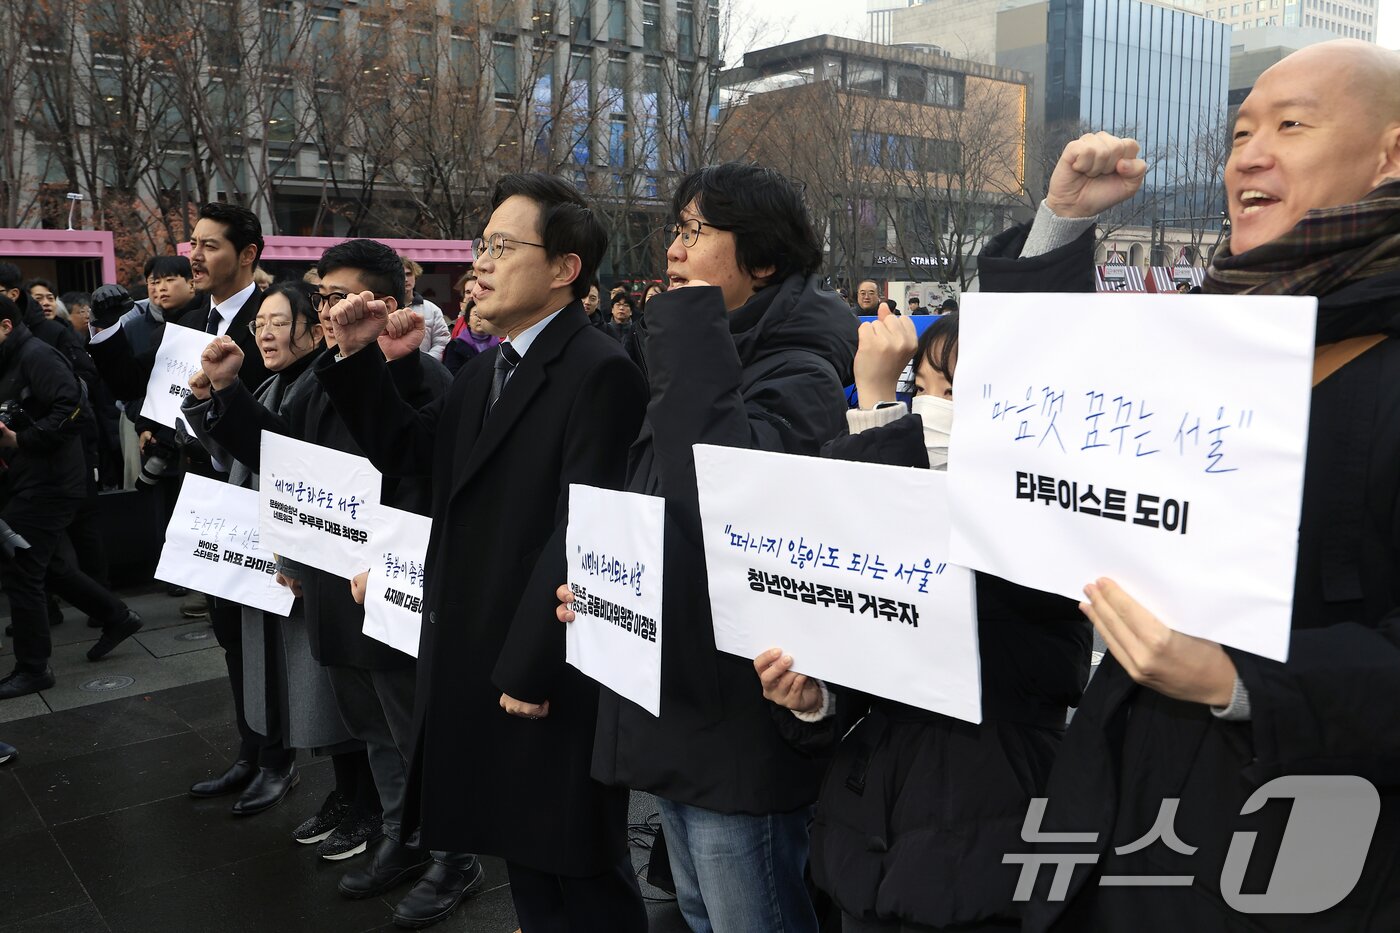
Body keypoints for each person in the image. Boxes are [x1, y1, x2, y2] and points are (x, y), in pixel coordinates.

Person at [978, 39, 1400, 932]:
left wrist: (1235, 676)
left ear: (1388, 156)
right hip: (1120, 813)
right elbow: (1043, 420)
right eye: (1241, 132)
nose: (1247, 154)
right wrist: (1059, 223)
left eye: (1292, 125)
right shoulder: (1216, 333)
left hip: (1305, 858)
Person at [316, 175, 648, 931]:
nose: (480, 264)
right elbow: (409, 453)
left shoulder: (599, 369)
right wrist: (367, 357)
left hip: (547, 667)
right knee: (529, 866)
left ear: (565, 267)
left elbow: (585, 532)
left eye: (502, 246)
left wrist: (533, 665)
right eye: (481, 246)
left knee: (581, 868)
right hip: (479, 656)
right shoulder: (485, 370)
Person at [560, 162, 859, 932]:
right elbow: (649, 502)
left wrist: (685, 325)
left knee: (749, 915)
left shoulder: (798, 368)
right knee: (699, 910)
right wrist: (602, 588)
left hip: (740, 718)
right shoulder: (692, 349)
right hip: (677, 691)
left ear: (761, 258)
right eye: (677, 230)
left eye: (697, 232)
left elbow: (719, 502)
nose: (675, 249)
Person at [755, 309, 1090, 932]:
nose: (931, 410)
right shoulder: (911, 474)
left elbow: (936, 597)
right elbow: (876, 635)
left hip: (986, 842)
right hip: (866, 836)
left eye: (955, 392)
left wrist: (881, 408)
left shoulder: (1046, 527)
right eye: (923, 390)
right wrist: (814, 701)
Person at [183, 281, 369, 829]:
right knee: (301, 683)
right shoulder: (272, 386)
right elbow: (234, 455)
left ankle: (359, 802)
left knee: (330, 690)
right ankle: (334, 790)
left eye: (279, 321)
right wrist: (209, 396)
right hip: (274, 557)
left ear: (316, 328)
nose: (265, 331)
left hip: (312, 560)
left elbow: (285, 459)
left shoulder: (320, 384)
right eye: (260, 321)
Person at [0, 296, 143, 700]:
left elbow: (73, 406)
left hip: (49, 481)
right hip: (29, 478)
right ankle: (116, 615)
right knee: (52, 565)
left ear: (6, 326)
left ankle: (33, 668)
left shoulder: (36, 355)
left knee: (21, 565)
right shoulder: (12, 357)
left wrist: (21, 438)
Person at [402, 257, 451, 361]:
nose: (405, 279)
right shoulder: (386, 307)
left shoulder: (432, 309)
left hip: (425, 372)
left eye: (409, 274)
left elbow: (442, 342)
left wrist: (427, 362)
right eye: (401, 275)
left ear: (415, 276)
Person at [442, 304, 497, 376]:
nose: (480, 318)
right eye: (476, 314)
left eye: (484, 314)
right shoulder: (456, 346)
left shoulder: (499, 345)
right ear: (468, 320)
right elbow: (451, 374)